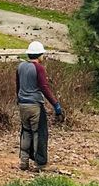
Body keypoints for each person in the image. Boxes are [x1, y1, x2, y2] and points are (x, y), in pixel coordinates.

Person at [16, 40, 63, 172]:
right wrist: (56, 104)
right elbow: (44, 87)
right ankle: (39, 164)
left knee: (26, 132)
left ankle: (24, 162)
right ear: (39, 55)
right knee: (38, 133)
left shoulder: (20, 67)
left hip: (23, 105)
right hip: (35, 105)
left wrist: (19, 100)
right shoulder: (39, 68)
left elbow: (18, 86)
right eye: (42, 54)